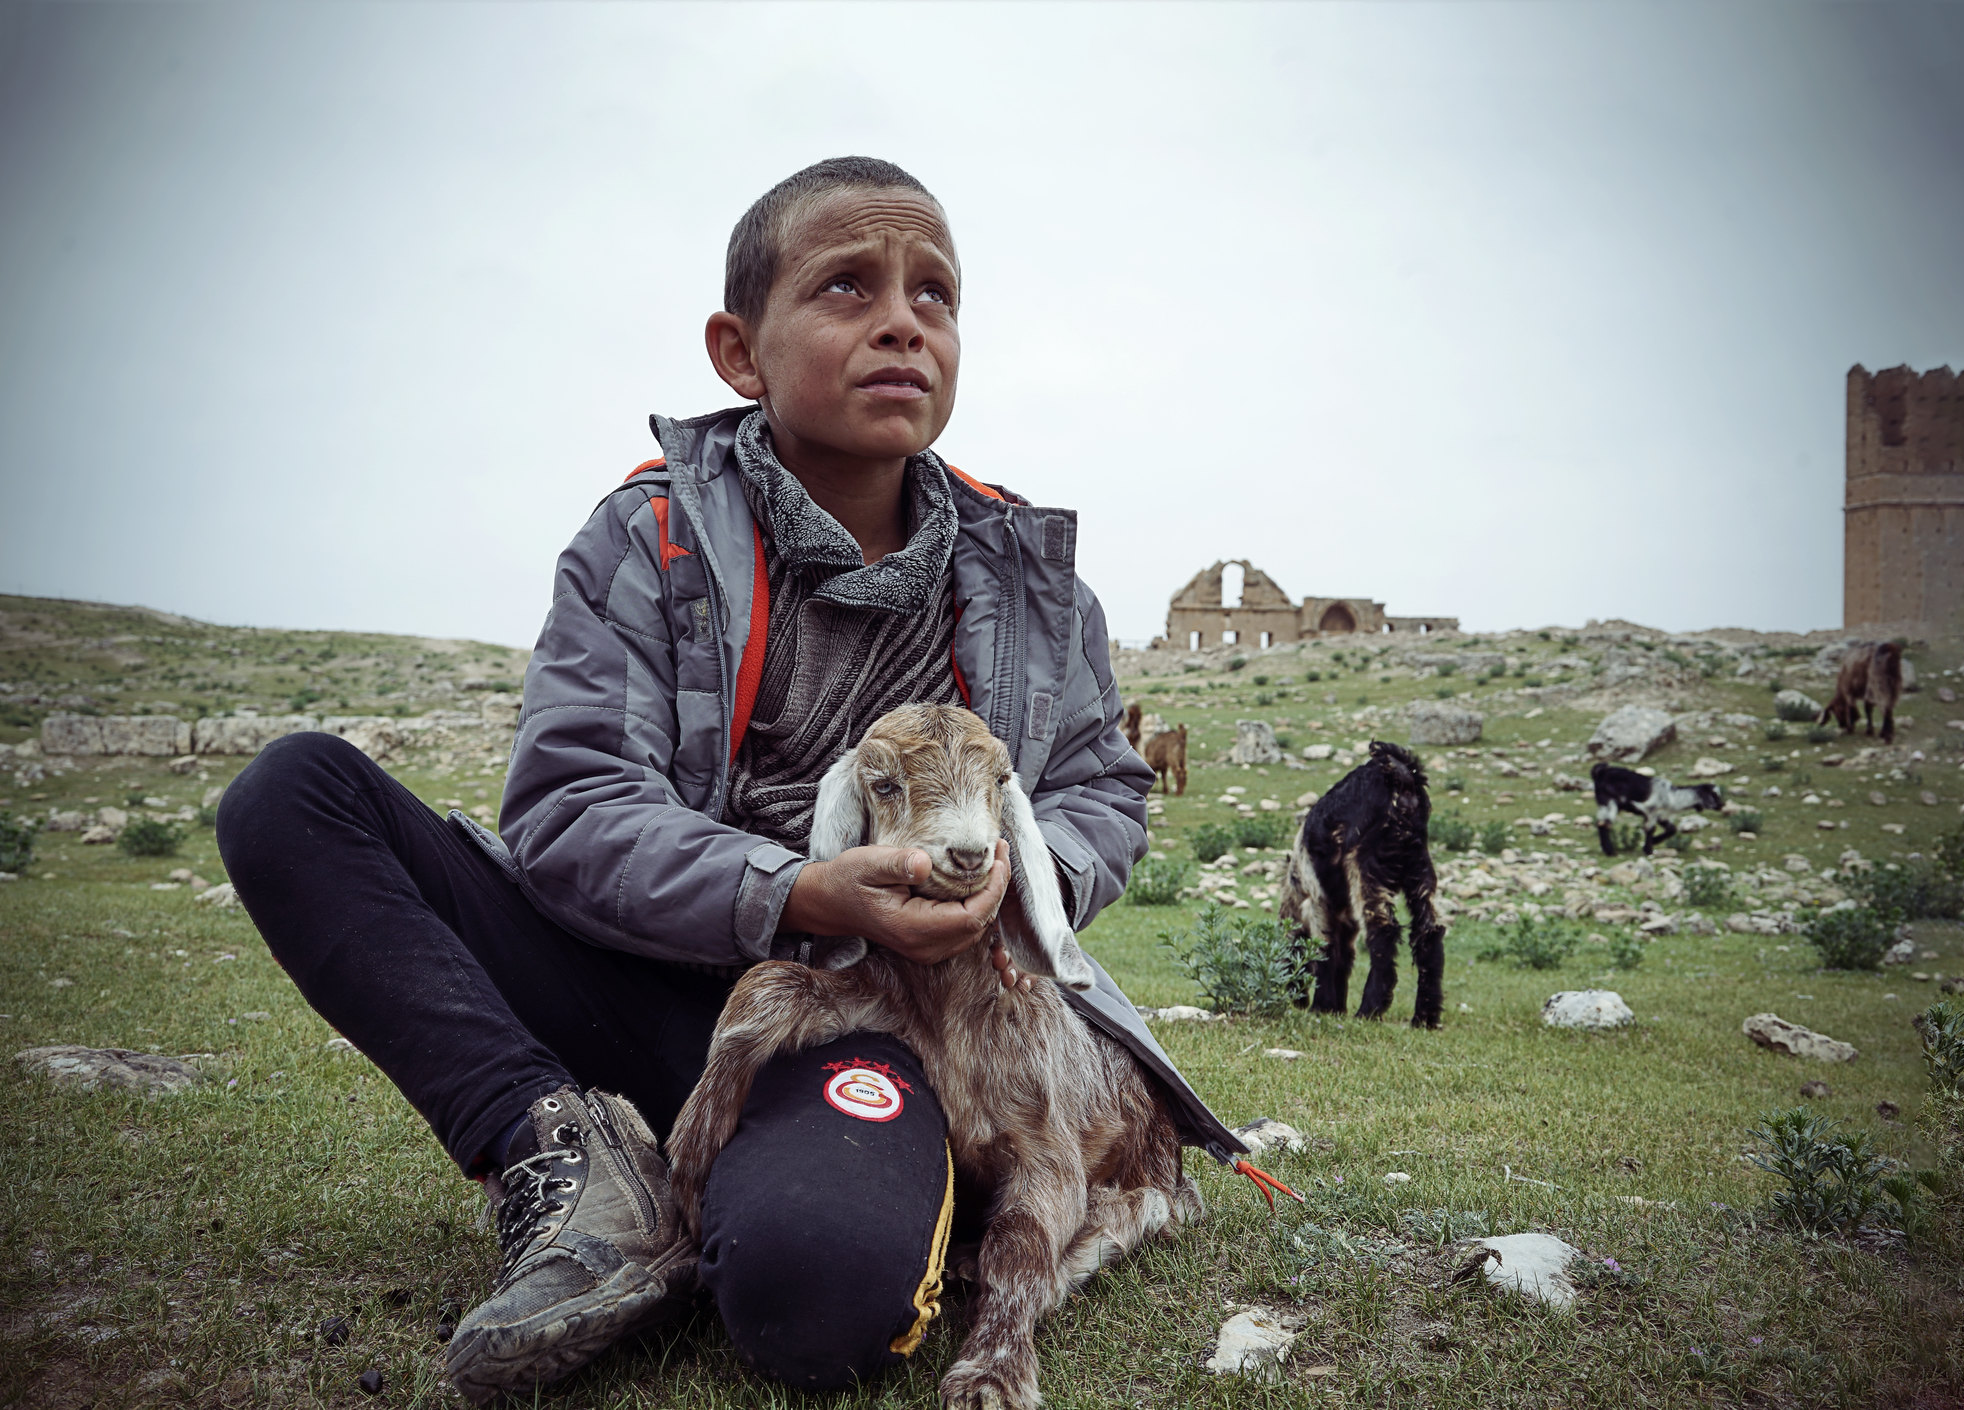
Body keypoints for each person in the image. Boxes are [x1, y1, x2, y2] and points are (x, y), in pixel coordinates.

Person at [217, 156, 1242, 1403]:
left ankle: (781, 1184)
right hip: (617, 974)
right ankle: (555, 1149)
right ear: (738, 351)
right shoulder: (647, 541)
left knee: (814, 1304)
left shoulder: (1029, 578)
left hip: (856, 1017)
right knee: (294, 795)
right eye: (846, 286)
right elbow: (568, 812)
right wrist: (804, 887)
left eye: (936, 294)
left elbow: (1099, 790)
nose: (902, 320)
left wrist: (1023, 878)